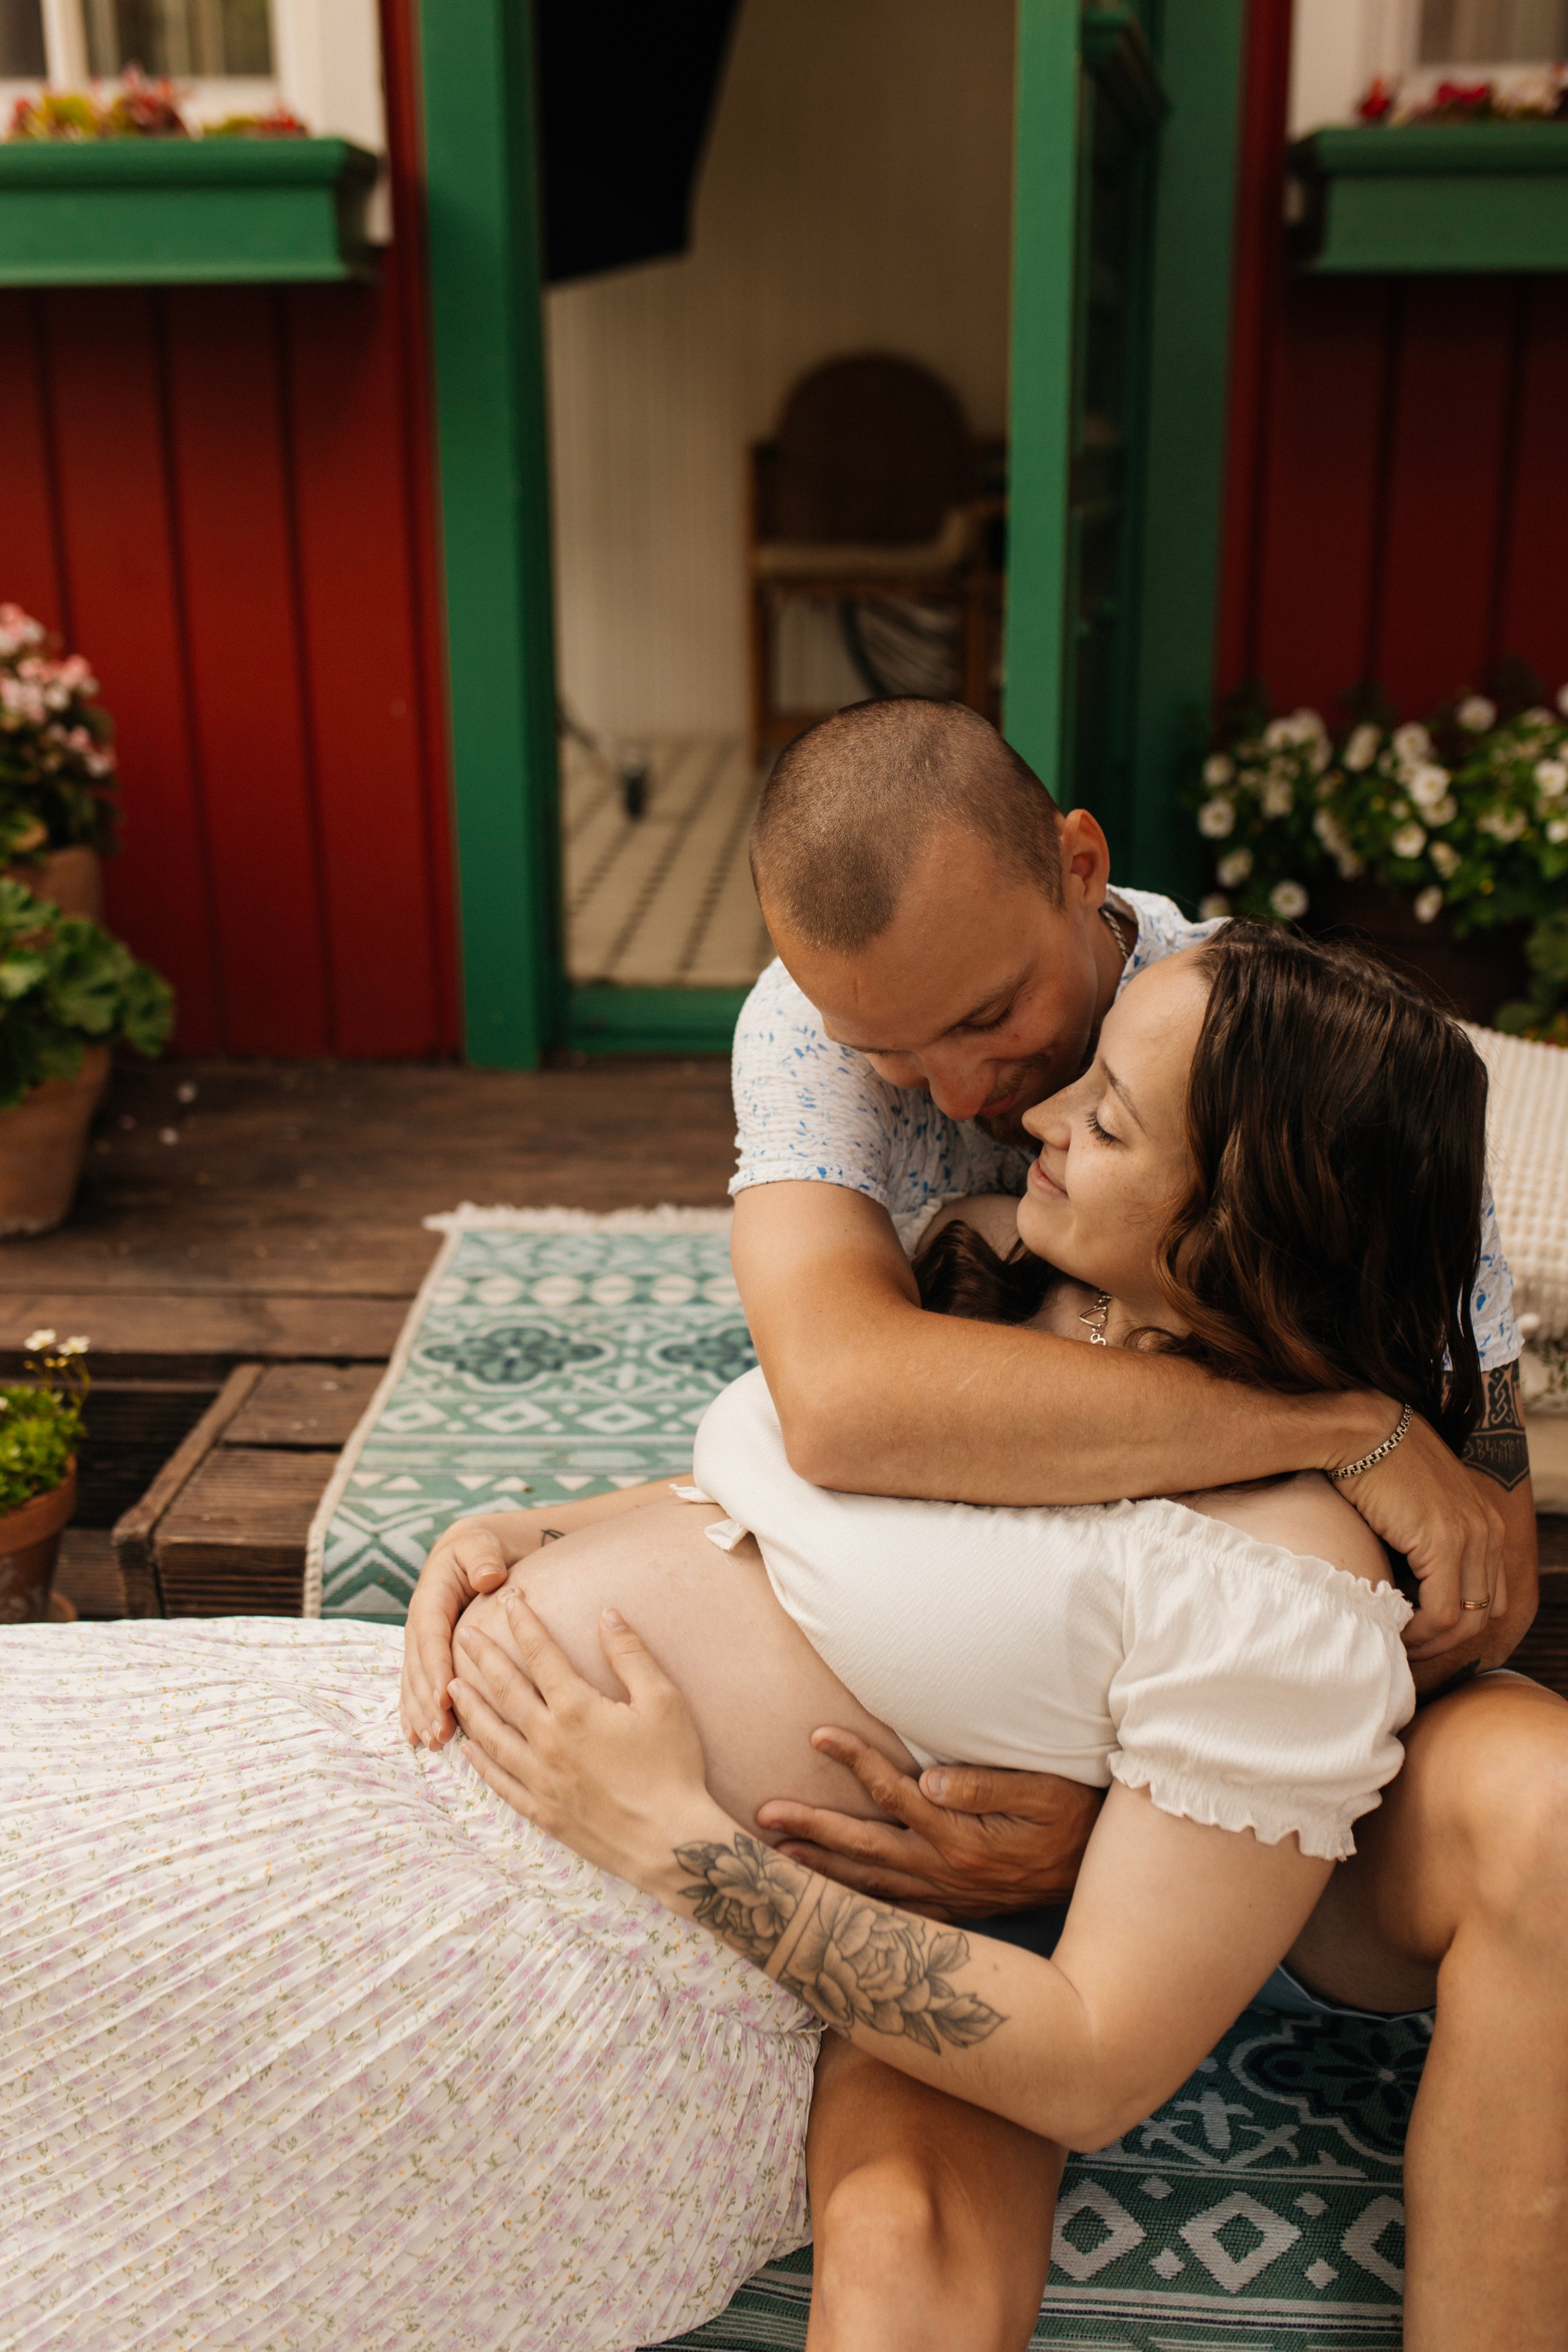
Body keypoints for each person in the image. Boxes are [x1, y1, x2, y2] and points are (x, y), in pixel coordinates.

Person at [1, 927, 1517, 2352]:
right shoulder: (1018, 1287)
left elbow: (1097, 2058)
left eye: (1109, 1121)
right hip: (381, 1758)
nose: (1043, 1117)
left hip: (583, 1945)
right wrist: (543, 1527)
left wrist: (673, 1843)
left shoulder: (1287, 1592)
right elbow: (801, 1512)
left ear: (1245, 1218)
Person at [433, 701, 1562, 2351]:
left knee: (1546, 1813)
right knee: (900, 2237)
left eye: (1010, 1032)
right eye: (896, 1057)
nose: (969, 1095)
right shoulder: (904, 1114)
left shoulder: (1302, 1071)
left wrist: (1116, 1810)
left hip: (1246, 1780)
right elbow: (842, 1412)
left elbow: (1480, 1583)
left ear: (1083, 874)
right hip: (925, 1776)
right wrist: (556, 1522)